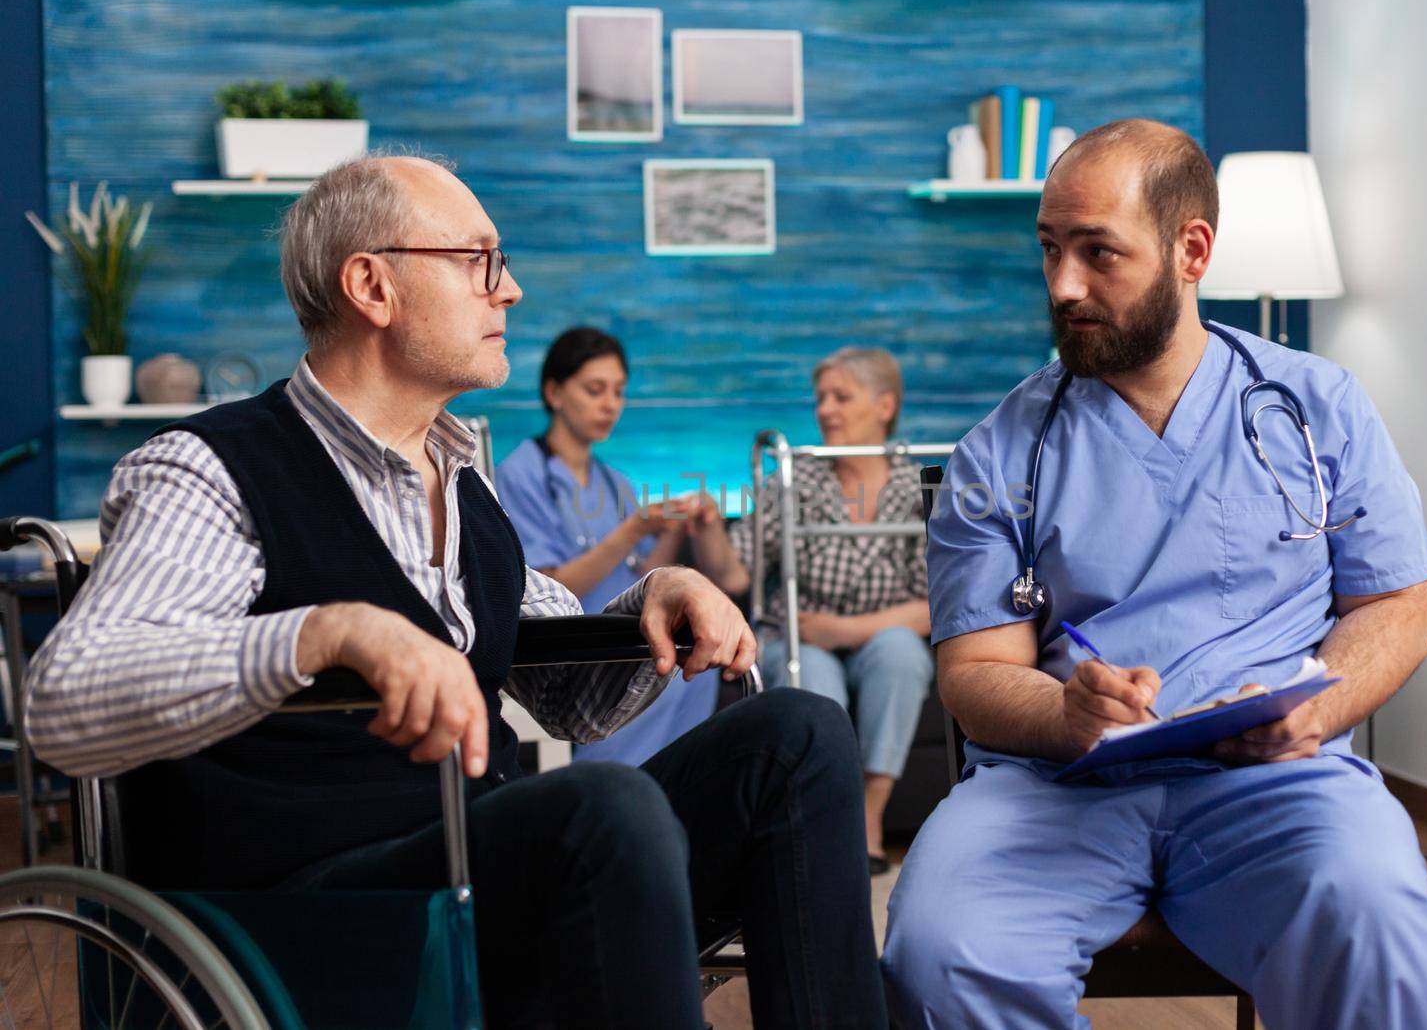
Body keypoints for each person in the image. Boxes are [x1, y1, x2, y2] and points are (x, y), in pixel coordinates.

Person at [25, 154, 888, 1030]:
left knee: (799, 731)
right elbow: (67, 697)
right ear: (372, 284)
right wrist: (324, 632)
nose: (508, 289)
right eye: (479, 260)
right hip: (304, 919)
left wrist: (657, 592)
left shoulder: (463, 481)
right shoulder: (209, 470)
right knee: (602, 806)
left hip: (475, 880)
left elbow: (568, 696)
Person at [880, 120, 1427, 1029]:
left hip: (1276, 783)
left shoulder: (1320, 408)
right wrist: (1065, 711)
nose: (1063, 285)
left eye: (1097, 253)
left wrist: (1315, 709)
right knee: (936, 954)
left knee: (1386, 936)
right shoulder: (998, 454)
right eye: (1049, 250)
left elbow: (1396, 602)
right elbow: (974, 674)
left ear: (1191, 250)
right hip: (1050, 790)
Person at [691, 347, 935, 875]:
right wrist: (710, 527)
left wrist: (840, 629)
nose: (825, 409)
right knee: (812, 674)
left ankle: (868, 817)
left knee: (901, 656)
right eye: (821, 398)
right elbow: (736, 576)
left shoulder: (914, 485)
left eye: (841, 397)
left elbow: (932, 608)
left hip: (879, 633)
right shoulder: (793, 476)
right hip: (797, 637)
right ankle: (834, 820)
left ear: (884, 405)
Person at [496, 326, 721, 765]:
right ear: (555, 392)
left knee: (700, 664)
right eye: (595, 390)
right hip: (574, 644)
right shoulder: (520, 475)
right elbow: (548, 585)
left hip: (627, 631)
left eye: (618, 392)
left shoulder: (613, 481)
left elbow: (639, 577)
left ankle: (670, 793)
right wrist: (635, 527)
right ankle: (621, 785)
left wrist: (674, 526)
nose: (610, 404)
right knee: (671, 671)